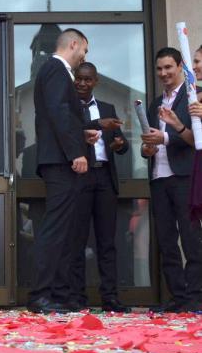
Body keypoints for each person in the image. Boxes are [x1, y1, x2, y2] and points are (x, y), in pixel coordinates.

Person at [27, 28, 90, 313]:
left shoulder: (55, 71)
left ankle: (57, 294)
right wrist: (75, 151)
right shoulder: (55, 68)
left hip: (59, 158)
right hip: (60, 162)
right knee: (54, 231)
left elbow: (63, 115)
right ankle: (41, 294)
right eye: (84, 51)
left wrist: (83, 134)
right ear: (73, 44)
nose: (84, 57)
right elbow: (58, 112)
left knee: (62, 231)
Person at [141, 46, 202, 312]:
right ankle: (177, 296)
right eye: (159, 68)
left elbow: (194, 141)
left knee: (190, 238)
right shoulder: (155, 103)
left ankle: (194, 296)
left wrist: (168, 134)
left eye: (168, 67)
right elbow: (152, 141)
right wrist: (148, 149)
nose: (164, 73)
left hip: (184, 177)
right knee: (166, 241)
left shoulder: (193, 97)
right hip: (159, 177)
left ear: (180, 67)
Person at [69, 62, 129, 312]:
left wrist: (118, 145)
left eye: (87, 80)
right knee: (77, 241)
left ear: (96, 81)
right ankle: (76, 298)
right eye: (79, 80)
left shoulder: (107, 108)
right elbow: (68, 134)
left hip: (104, 177)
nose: (82, 84)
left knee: (107, 242)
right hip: (79, 178)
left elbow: (122, 144)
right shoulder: (69, 108)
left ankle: (111, 298)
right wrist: (97, 125)